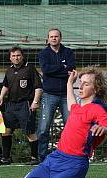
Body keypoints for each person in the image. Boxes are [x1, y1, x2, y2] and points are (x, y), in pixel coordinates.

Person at [0, 46, 42, 165]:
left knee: (29, 131)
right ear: (10, 58)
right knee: (6, 130)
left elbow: (38, 87)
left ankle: (34, 158)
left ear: (22, 56)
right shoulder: (9, 70)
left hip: (25, 104)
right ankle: (5, 158)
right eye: (13, 56)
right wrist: (1, 97)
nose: (16, 58)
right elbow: (5, 85)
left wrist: (35, 102)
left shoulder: (30, 68)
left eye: (18, 55)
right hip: (11, 104)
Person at [37, 28, 75, 162]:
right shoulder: (43, 54)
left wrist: (56, 70)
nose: (54, 38)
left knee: (71, 127)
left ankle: (70, 155)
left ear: (60, 38)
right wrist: (63, 69)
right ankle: (42, 157)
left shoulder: (68, 52)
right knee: (43, 128)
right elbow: (45, 70)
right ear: (48, 39)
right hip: (49, 95)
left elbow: (71, 69)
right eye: (51, 36)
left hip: (66, 95)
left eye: (56, 36)